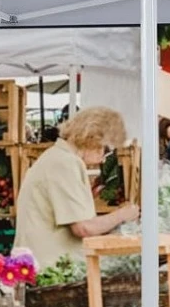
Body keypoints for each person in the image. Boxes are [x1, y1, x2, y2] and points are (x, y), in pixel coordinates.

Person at [13, 106, 140, 269]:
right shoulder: (65, 163)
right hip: (50, 268)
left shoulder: (55, 157)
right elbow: (83, 228)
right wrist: (122, 215)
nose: (102, 158)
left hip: (37, 263)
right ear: (91, 139)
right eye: (104, 148)